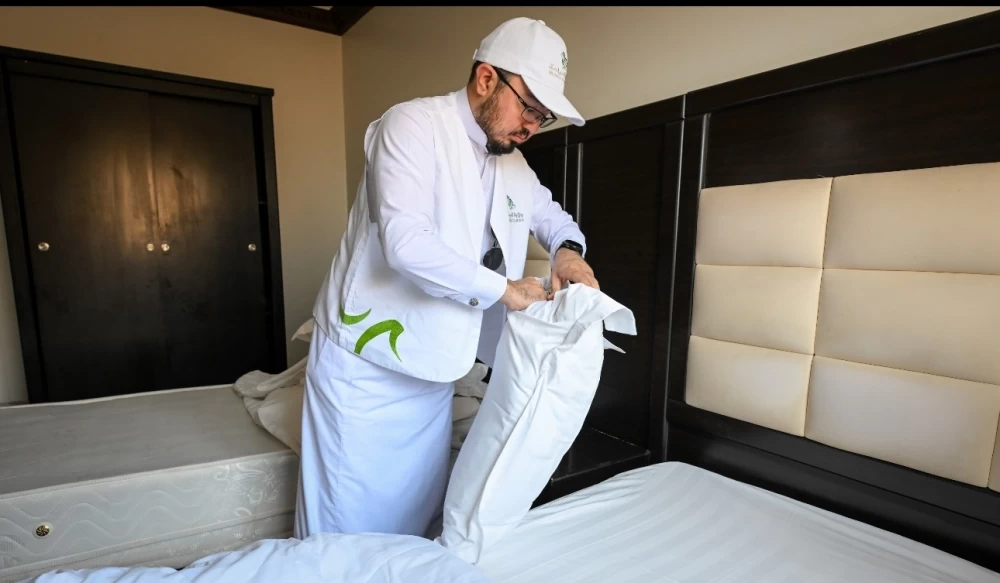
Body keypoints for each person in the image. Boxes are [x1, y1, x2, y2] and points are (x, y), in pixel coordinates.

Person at [293, 17, 598, 541]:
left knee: (411, 520)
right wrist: (506, 291)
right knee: (343, 529)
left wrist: (569, 255)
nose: (532, 126)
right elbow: (406, 242)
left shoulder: (513, 164)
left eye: (543, 117)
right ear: (486, 79)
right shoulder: (411, 126)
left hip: (435, 365)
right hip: (365, 367)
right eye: (529, 108)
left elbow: (555, 220)